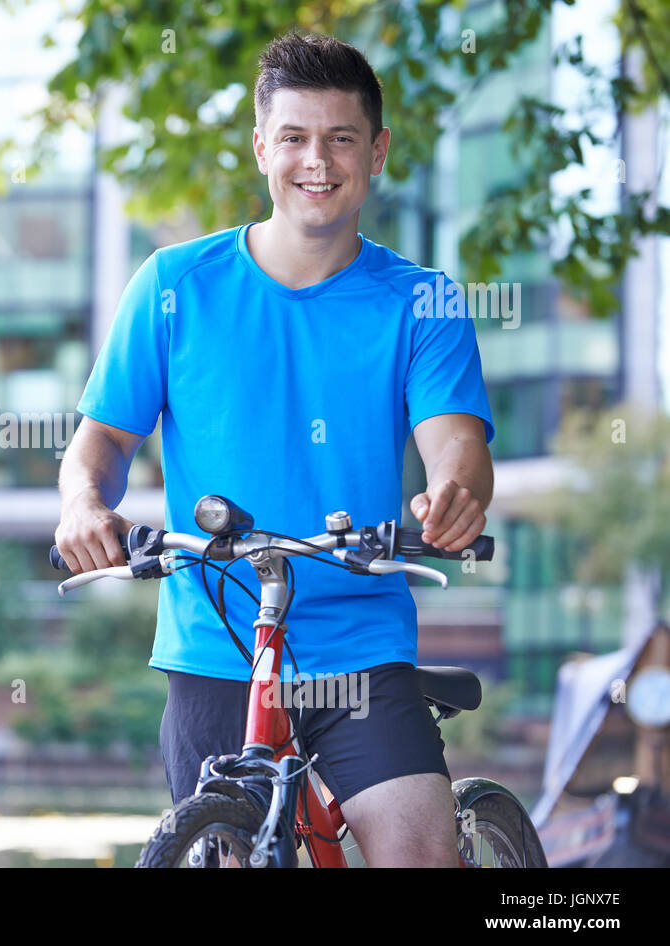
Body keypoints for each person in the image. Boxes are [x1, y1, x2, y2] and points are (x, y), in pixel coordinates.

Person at [53, 32, 495, 867]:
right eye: (293, 137)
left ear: (378, 151)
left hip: (358, 650)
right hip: (215, 644)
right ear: (262, 147)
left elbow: (457, 444)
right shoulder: (173, 286)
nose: (316, 161)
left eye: (341, 138)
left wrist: (454, 494)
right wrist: (83, 503)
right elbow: (102, 439)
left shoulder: (423, 302)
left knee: (419, 855)